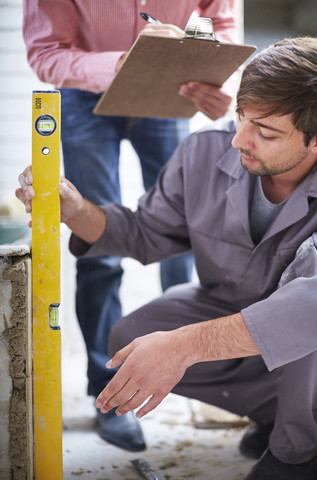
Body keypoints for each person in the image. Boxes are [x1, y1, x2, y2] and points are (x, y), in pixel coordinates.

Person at [18, 35, 317, 480]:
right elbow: (145, 232)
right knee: (133, 337)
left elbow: (310, 307)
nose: (238, 139)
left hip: (309, 332)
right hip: (237, 307)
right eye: (240, 117)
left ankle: (300, 450)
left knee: (302, 320)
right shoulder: (203, 152)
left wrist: (186, 345)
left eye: (266, 131)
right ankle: (283, 412)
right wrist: (77, 211)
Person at [22, 1, 239, 452]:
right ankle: (109, 392)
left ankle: (180, 367)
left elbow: (223, 30)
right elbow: (45, 54)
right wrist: (122, 64)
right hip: (85, 94)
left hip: (171, 88)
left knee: (183, 237)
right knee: (97, 243)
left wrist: (218, 79)